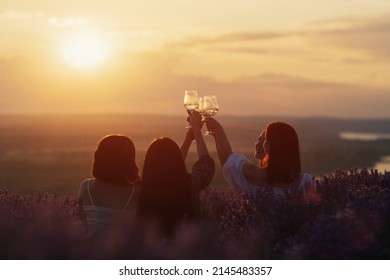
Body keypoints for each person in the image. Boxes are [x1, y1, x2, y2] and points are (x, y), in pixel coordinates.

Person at [136, 112, 215, 239]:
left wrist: (189, 139)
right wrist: (196, 130)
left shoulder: (140, 189)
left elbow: (172, 166)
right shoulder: (189, 184)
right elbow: (205, 163)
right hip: (186, 247)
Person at [205, 118, 315, 199]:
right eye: (259, 139)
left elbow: (228, 161)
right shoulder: (307, 182)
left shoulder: (255, 176)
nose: (260, 144)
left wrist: (217, 128)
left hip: (259, 231)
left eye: (265, 140)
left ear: (270, 146)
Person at [78, 134, 141, 234]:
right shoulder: (136, 191)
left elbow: (81, 226)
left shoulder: (86, 186)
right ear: (129, 161)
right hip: (124, 249)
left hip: (89, 248)